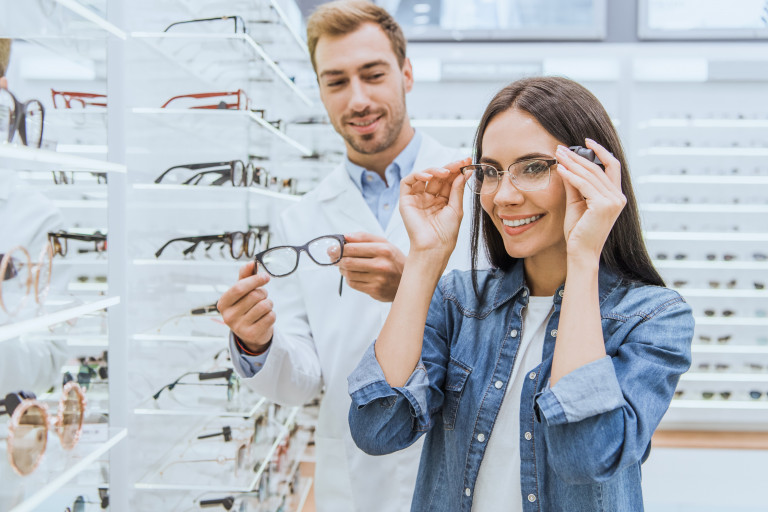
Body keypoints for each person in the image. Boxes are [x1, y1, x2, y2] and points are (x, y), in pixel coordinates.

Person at [347, 76, 694, 511]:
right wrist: (425, 257)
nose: (504, 196)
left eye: (532, 167)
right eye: (491, 172)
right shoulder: (458, 303)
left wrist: (584, 256)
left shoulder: (654, 318)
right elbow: (378, 429)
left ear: (590, 174)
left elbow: (586, 454)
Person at [216, 2, 473, 511]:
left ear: (406, 73)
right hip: (358, 478)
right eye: (336, 82)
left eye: (373, 75)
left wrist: (412, 284)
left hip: (460, 454)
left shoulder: (475, 188)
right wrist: (257, 343)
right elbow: (303, 377)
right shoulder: (302, 220)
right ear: (320, 91)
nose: (357, 99)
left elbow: (509, 331)